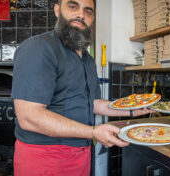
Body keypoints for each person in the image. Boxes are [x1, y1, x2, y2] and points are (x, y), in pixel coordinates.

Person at [11, 0, 155, 175]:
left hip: (81, 154)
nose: (81, 14)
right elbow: (29, 117)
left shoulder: (87, 59)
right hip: (44, 157)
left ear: (92, 18)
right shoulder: (39, 48)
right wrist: (93, 132)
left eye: (88, 11)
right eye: (73, 6)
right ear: (57, 10)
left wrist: (132, 110)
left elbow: (92, 103)